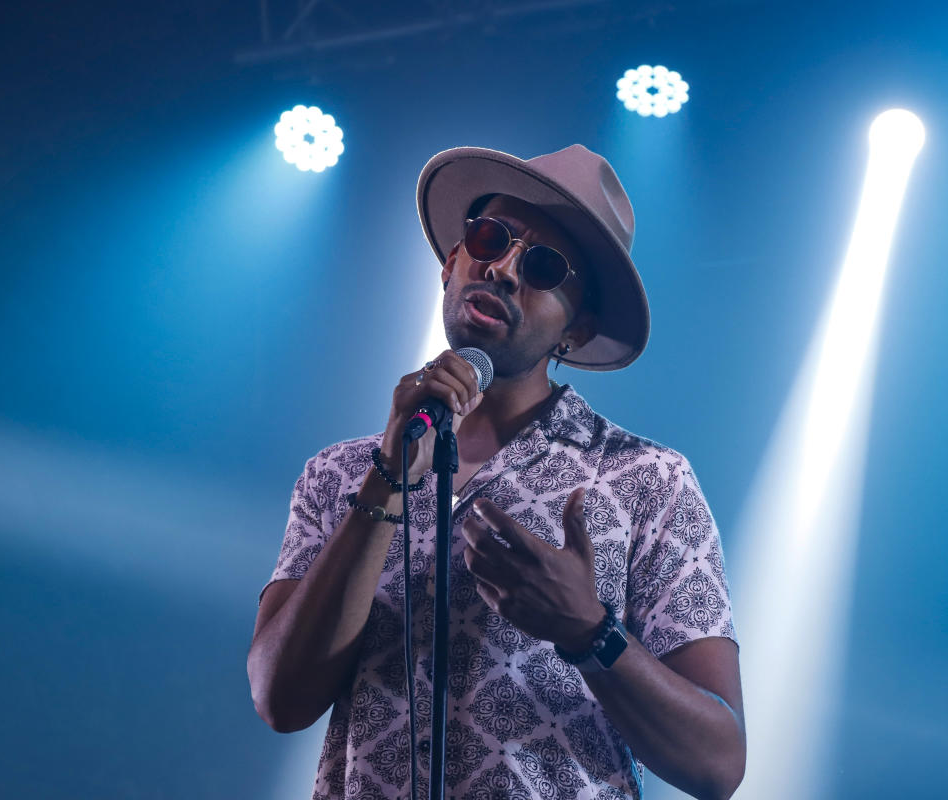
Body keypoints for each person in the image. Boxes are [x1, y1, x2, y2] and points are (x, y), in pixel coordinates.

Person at [247, 144, 746, 800]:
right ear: (452, 262)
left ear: (579, 326)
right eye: (490, 238)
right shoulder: (339, 474)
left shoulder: (646, 481)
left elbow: (717, 763)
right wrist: (386, 484)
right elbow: (281, 700)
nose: (505, 269)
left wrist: (590, 632)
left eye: (542, 265)